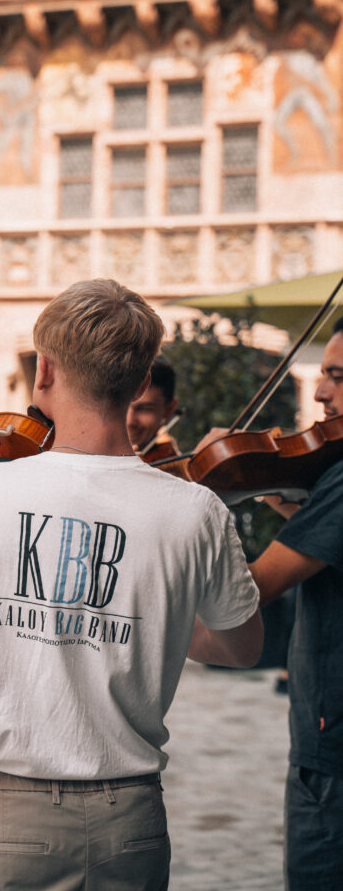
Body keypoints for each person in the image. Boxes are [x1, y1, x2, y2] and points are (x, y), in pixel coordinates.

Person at [0, 278, 263, 890]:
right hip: (132, 822)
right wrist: (148, 615)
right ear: (144, 382)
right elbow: (242, 647)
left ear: (44, 373)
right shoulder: (196, 510)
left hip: (6, 820)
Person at [247, 315, 343, 891]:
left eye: (339, 376)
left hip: (333, 758)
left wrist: (198, 518)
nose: (322, 390)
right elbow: (324, 535)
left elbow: (256, 586)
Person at [126, 354, 179, 457]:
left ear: (169, 410)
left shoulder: (172, 471)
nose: (129, 421)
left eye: (145, 409)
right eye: (120, 408)